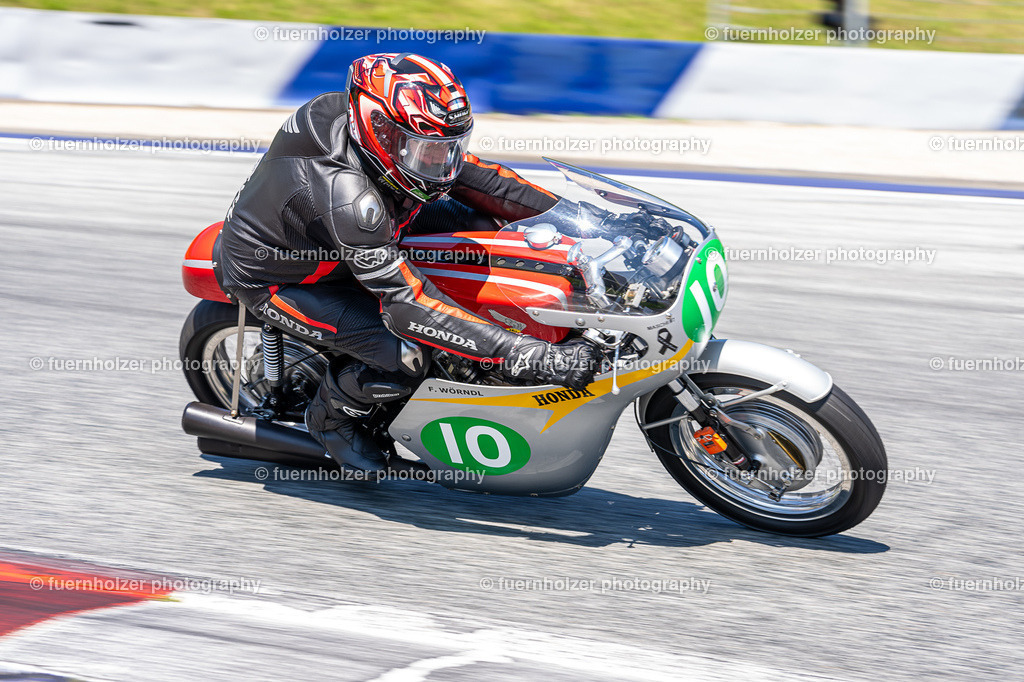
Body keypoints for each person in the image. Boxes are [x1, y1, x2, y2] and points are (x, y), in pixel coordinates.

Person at [215, 52, 600, 472]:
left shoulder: (369, 132)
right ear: (380, 131)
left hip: (349, 237)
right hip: (282, 279)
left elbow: (486, 181)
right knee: (406, 355)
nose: (442, 164)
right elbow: (407, 304)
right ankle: (329, 421)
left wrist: (589, 222)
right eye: (428, 151)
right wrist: (529, 354)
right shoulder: (348, 198)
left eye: (449, 148)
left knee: (482, 225)